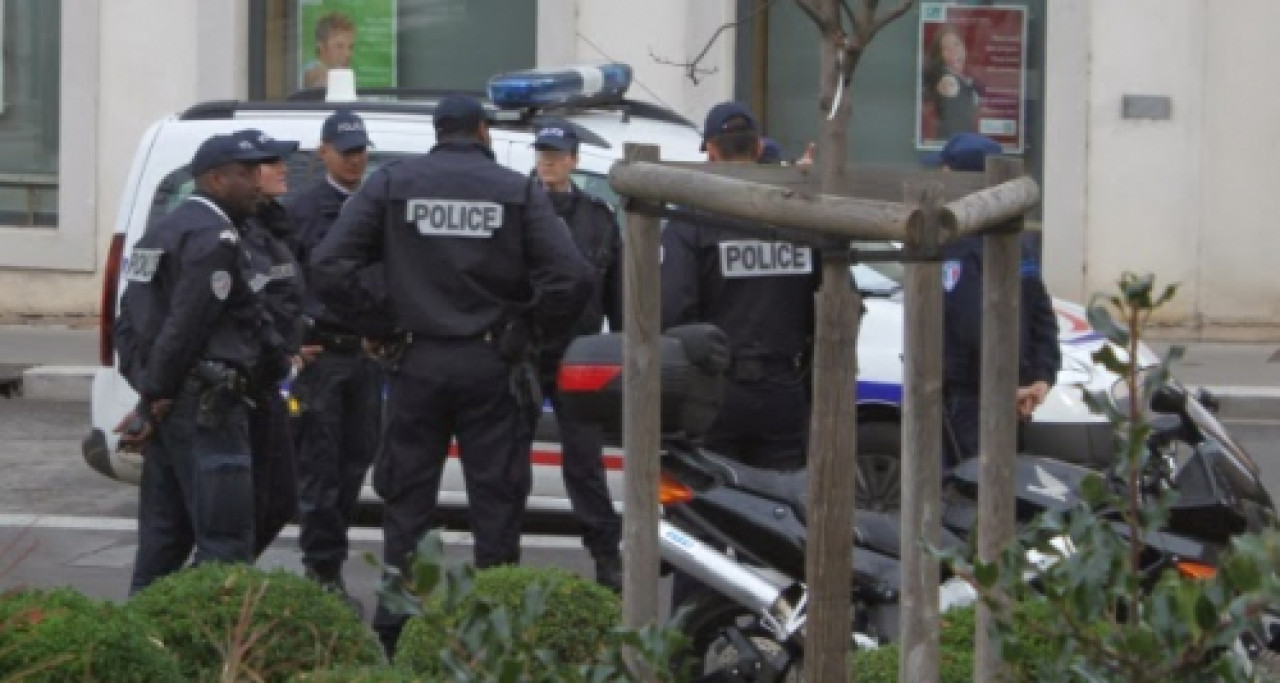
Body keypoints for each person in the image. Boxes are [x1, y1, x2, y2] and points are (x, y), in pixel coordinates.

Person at [308, 94, 593, 654]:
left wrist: (381, 318)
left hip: (415, 363)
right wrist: (530, 330)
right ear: (484, 131)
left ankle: (398, 627)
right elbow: (572, 277)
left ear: (437, 132)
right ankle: (496, 629)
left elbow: (328, 265)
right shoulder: (517, 189)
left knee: (407, 503)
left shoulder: (393, 185)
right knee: (497, 502)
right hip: (492, 364)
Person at [113, 133, 284, 594]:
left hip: (175, 403)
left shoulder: (163, 230)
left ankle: (144, 645)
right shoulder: (215, 239)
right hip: (209, 407)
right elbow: (184, 328)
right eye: (245, 175)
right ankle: (204, 654)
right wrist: (157, 395)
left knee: (162, 544)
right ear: (214, 179)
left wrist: (151, 394)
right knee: (225, 543)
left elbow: (128, 321)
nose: (256, 184)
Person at [661, 101, 820, 472]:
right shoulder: (798, 217)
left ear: (711, 152)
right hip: (785, 386)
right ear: (759, 148)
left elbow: (672, 309)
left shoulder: (691, 219)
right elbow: (829, 297)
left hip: (717, 388)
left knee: (714, 505)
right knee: (782, 507)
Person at [283, 110, 382, 600]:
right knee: (320, 472)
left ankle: (330, 562)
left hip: (365, 357)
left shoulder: (376, 205)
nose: (355, 160)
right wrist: (292, 337)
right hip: (322, 358)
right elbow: (284, 282)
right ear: (323, 153)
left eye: (361, 151)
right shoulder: (302, 210)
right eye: (346, 151)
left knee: (354, 465)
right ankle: (322, 573)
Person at [529, 118, 624, 591]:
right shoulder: (518, 207)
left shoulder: (598, 218)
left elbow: (618, 296)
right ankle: (500, 555)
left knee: (584, 462)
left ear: (574, 161)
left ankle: (606, 555)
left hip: (579, 353)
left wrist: (624, 351)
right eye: (542, 152)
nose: (547, 160)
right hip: (523, 350)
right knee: (504, 457)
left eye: (556, 153)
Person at [933, 133, 1060, 465]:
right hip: (1008, 394)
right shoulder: (1018, 241)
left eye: (945, 172)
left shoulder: (958, 245)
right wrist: (1038, 379)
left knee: (968, 493)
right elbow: (1043, 320)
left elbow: (972, 325)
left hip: (972, 398)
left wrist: (1030, 381)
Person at [229, 129, 305, 559]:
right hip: (248, 378)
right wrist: (282, 346)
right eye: (273, 162)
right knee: (249, 504)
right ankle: (214, 588)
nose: (283, 169)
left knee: (278, 498)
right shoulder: (240, 230)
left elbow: (287, 294)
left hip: (273, 376)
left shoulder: (275, 221)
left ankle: (228, 582)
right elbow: (248, 305)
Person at [923, 24, 983, 141]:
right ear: (939, 55)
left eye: (956, 44)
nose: (953, 52)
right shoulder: (948, 79)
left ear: (964, 46)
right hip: (955, 145)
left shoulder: (966, 77)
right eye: (946, 48)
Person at [302, 12, 356, 89]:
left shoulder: (341, 74)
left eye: (350, 47)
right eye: (339, 46)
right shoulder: (314, 75)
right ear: (321, 46)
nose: (347, 54)